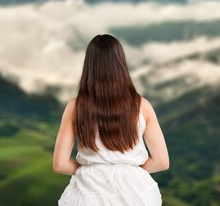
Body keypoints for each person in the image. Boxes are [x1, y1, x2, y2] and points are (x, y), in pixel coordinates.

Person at [53, 34, 170, 206]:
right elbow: (161, 161)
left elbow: (60, 164)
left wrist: (91, 169)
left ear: (89, 66)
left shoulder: (75, 107)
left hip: (87, 195)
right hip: (137, 196)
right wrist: (130, 171)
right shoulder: (142, 106)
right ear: (121, 63)